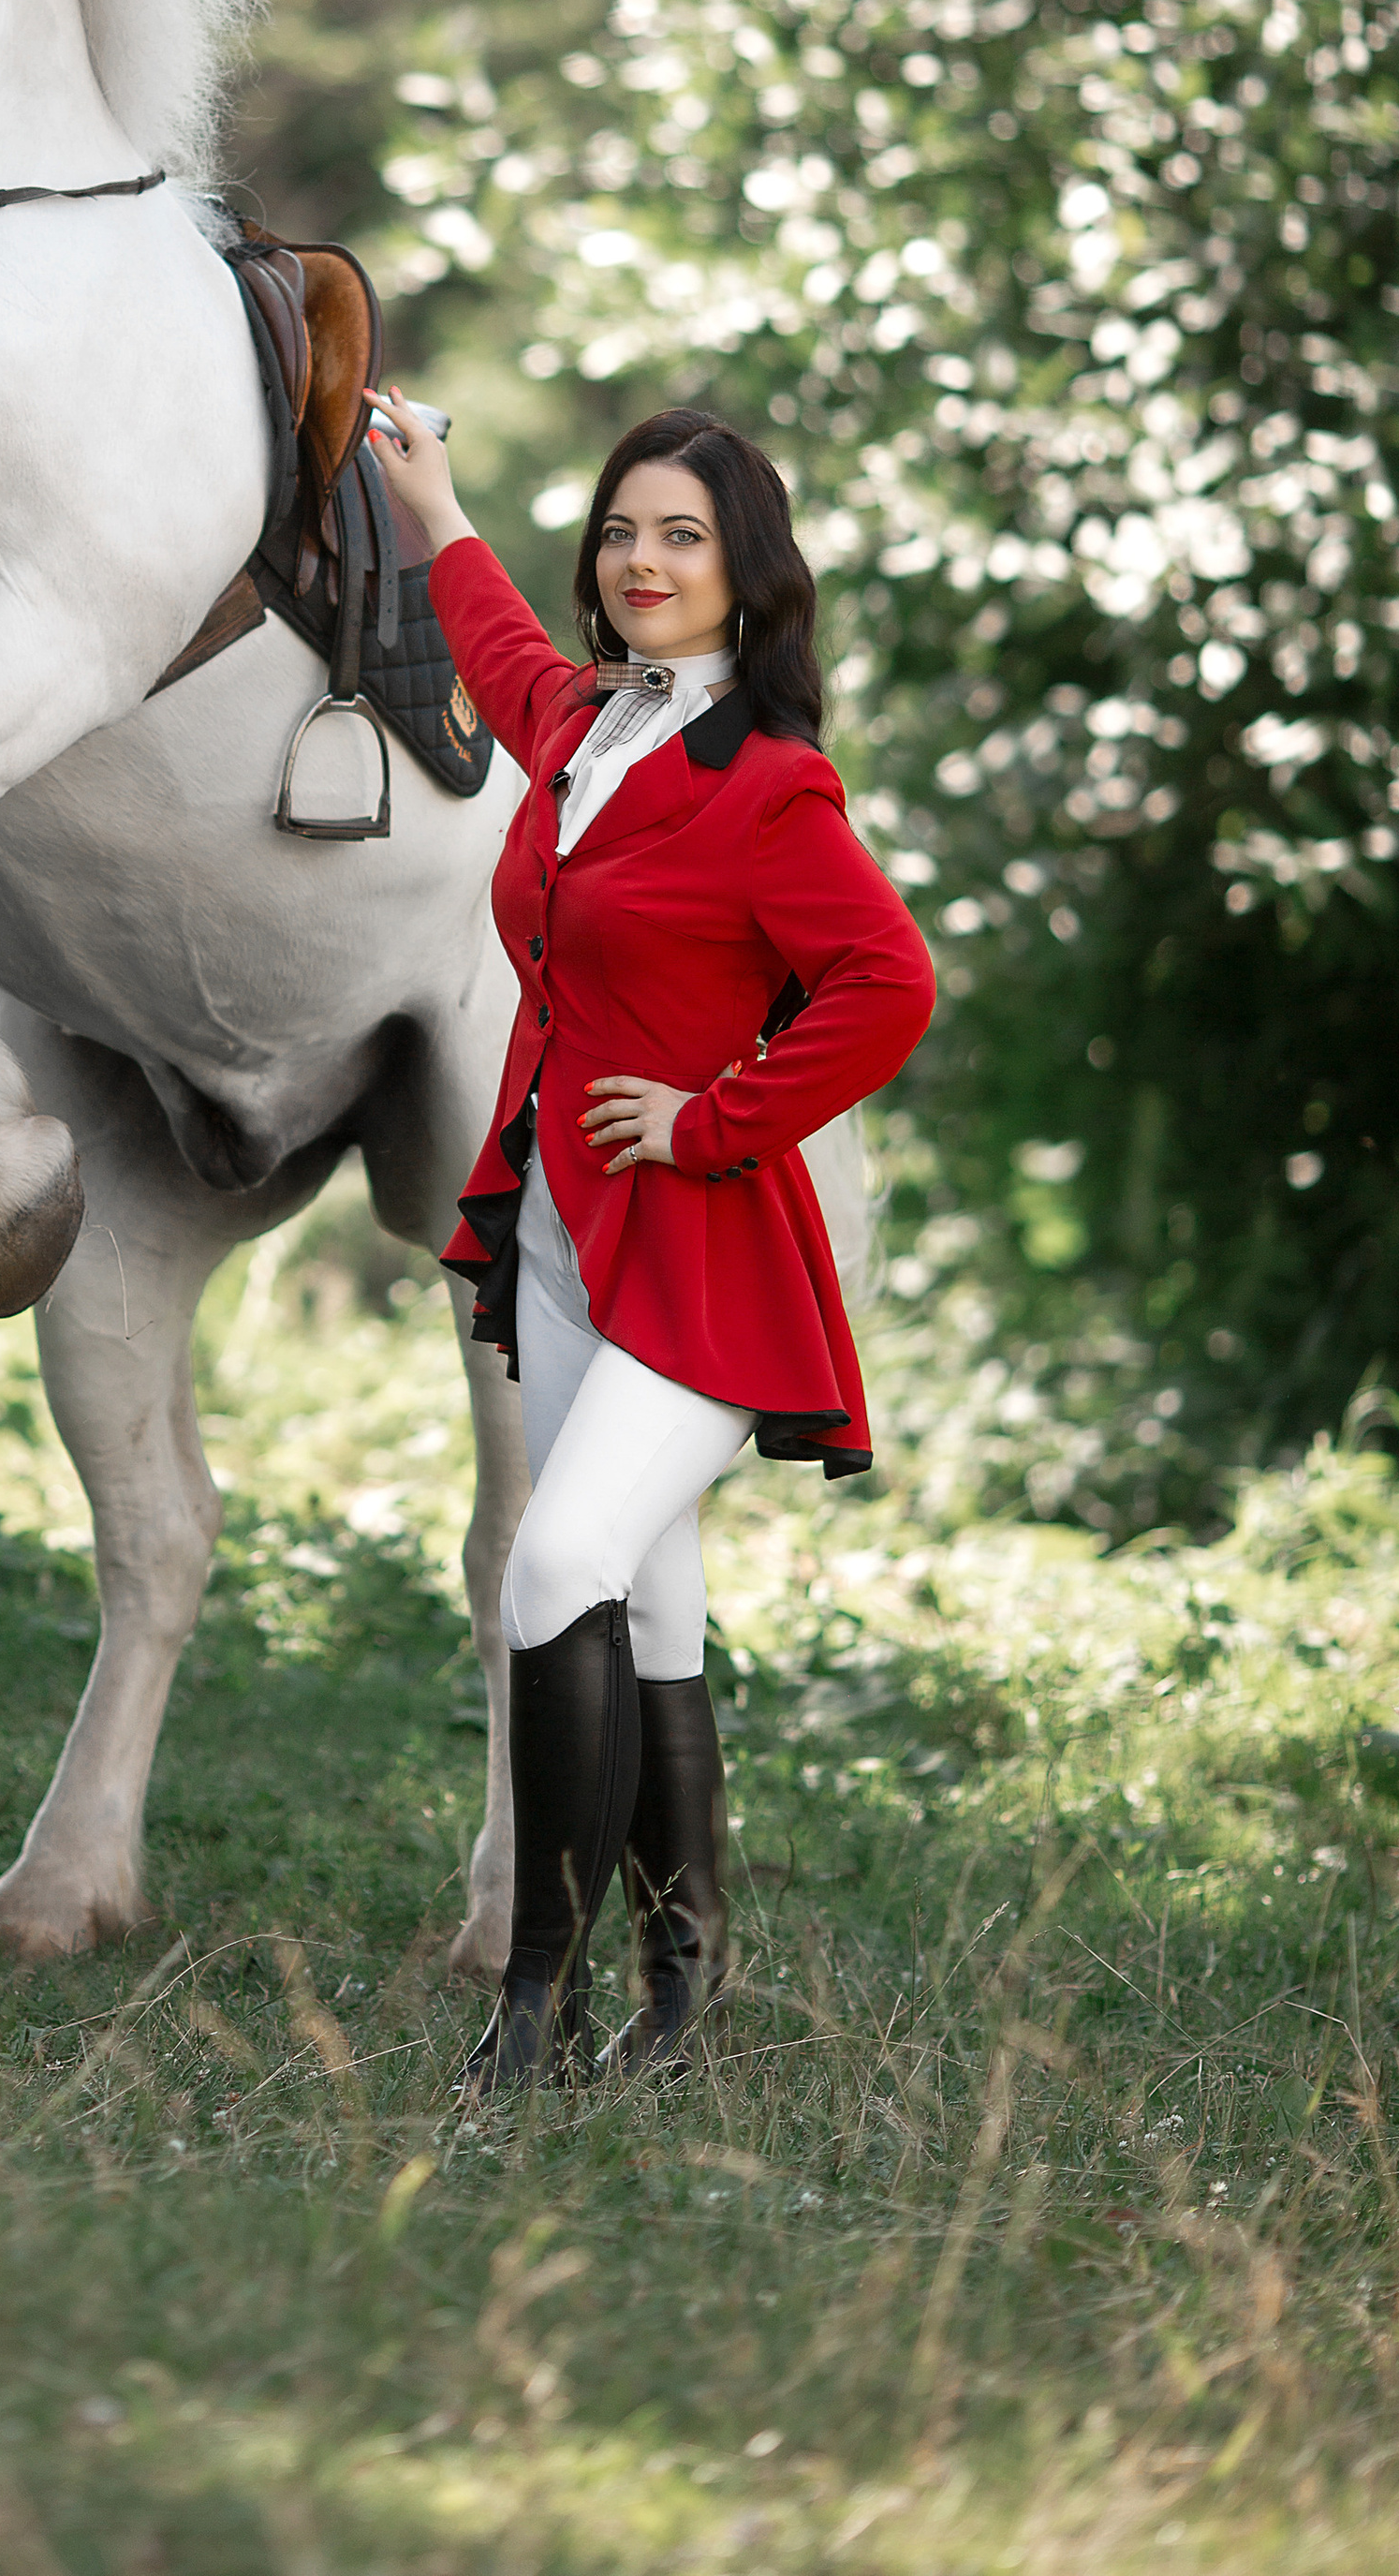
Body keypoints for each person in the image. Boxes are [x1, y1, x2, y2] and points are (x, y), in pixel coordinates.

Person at [366, 392, 935, 2093]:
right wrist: (431, 499)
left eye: (682, 535)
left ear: (746, 571)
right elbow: (501, 640)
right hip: (557, 1234)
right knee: (652, 1611)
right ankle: (679, 2004)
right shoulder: (591, 730)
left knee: (552, 1569)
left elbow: (888, 982)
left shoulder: (768, 783)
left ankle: (530, 2006)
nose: (641, 562)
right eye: (622, 532)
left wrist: (715, 1113)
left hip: (701, 1261)